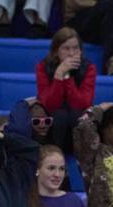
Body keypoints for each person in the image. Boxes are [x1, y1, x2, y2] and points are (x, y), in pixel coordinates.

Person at [36, 28, 97, 156]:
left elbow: (82, 103)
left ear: (80, 50)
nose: (71, 53)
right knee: (59, 116)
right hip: (54, 118)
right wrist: (59, 74)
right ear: (56, 51)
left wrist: (67, 76)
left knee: (75, 115)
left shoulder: (89, 68)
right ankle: (55, 159)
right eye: (66, 48)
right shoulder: (43, 67)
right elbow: (50, 104)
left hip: (77, 117)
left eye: (75, 48)